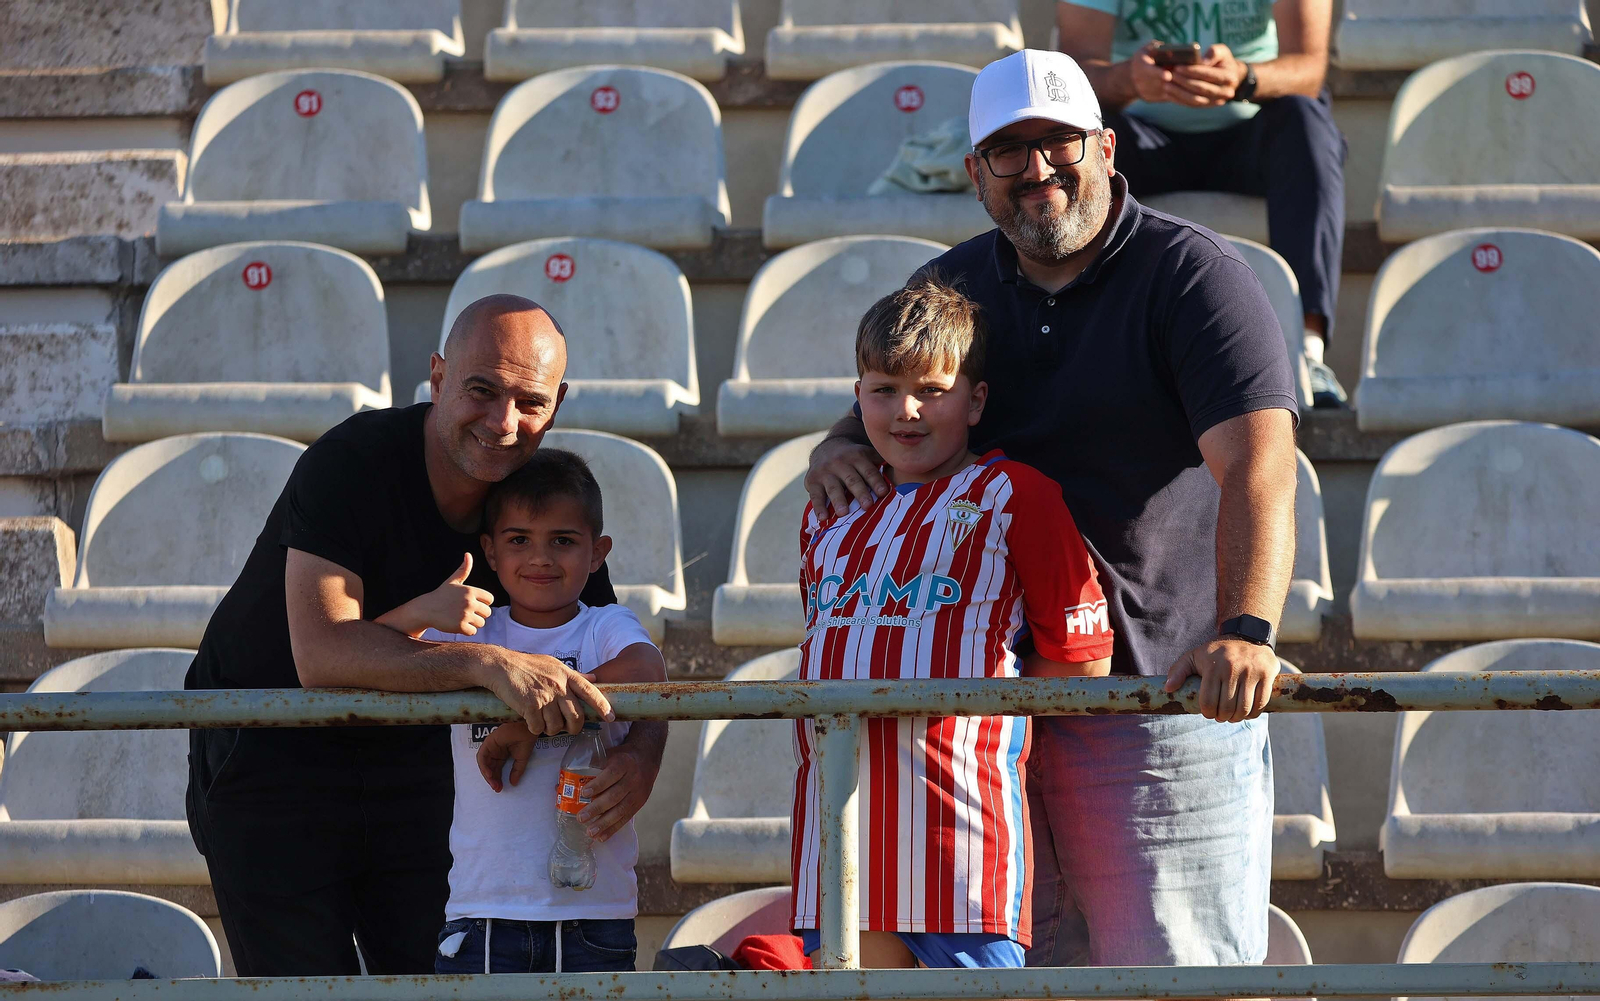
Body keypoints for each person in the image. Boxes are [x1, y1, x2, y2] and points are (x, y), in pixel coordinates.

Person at [804, 50, 1299, 970]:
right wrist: (833, 447)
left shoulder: (1192, 276)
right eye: (1008, 151)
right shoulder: (955, 284)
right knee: (1024, 978)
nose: (1037, 170)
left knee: (1173, 974)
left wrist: (1246, 627)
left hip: (1154, 701)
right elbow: (886, 400)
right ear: (975, 175)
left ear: (1107, 146)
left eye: (1059, 143)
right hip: (988, 722)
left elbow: (1261, 466)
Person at [184, 294, 668, 976]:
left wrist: (643, 756)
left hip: (420, 773)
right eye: (481, 389)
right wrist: (487, 661)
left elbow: (623, 660)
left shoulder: (536, 504)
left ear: (557, 405)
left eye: (530, 400)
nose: (504, 422)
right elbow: (323, 652)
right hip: (270, 758)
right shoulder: (353, 458)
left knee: (435, 988)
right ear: (437, 378)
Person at [791, 274, 1113, 971]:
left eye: (931, 389)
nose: (906, 410)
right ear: (857, 396)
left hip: (961, 844)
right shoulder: (829, 508)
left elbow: (1082, 663)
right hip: (837, 839)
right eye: (883, 389)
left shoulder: (1017, 494)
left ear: (976, 400)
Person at [374, 449, 666, 974]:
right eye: (518, 540)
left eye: (563, 540)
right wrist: (420, 612)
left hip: (593, 912)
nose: (541, 558)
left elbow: (647, 666)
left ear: (598, 553)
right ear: (488, 549)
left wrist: (529, 719)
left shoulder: (603, 626)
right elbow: (370, 656)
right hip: (482, 910)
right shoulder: (476, 633)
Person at [1055, 0, 1348, 406]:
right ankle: (1093, 352)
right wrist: (1130, 79)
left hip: (1255, 129)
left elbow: (1310, 69)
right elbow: (1070, 78)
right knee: (1080, 142)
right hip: (1139, 132)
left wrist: (1245, 79)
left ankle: (1308, 353)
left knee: (1307, 123)